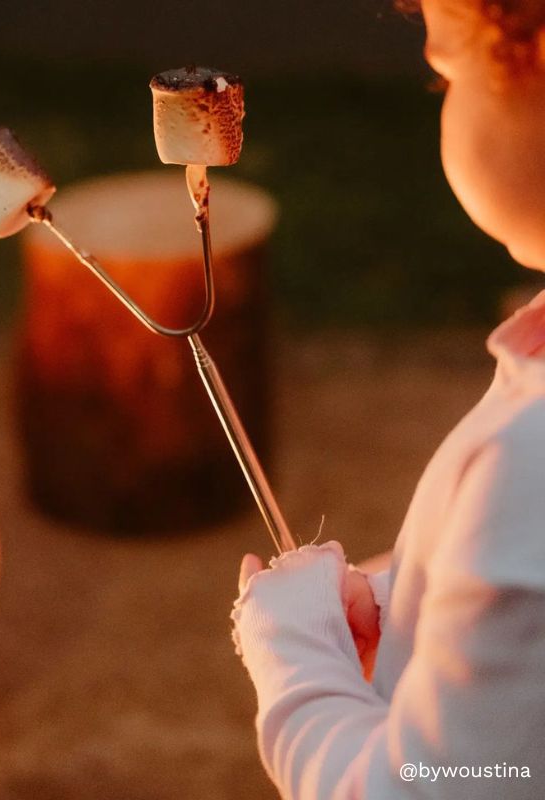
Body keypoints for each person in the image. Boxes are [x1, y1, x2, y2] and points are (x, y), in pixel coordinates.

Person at [230, 0, 545, 797]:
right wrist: (417, 601)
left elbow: (425, 788)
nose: (437, 93)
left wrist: (295, 651)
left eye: (445, 73)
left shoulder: (529, 466)